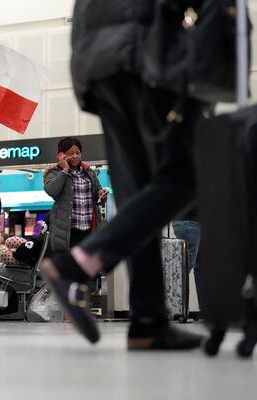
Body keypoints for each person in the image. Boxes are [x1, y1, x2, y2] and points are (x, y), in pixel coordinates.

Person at [41, 0, 206, 349]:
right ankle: (78, 264)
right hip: (142, 53)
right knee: (187, 173)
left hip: (96, 66)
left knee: (137, 194)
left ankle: (148, 321)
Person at [44, 137, 107, 252]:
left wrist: (102, 195)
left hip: (89, 229)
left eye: (77, 153)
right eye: (70, 153)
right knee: (69, 266)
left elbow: (98, 196)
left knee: (87, 267)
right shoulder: (55, 172)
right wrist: (65, 170)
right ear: (61, 155)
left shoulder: (89, 172)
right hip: (67, 232)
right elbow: (51, 191)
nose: (75, 156)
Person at [172, 206, 201, 302]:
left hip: (184, 222)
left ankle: (203, 308)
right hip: (190, 224)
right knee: (184, 269)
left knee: (198, 267)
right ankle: (174, 306)